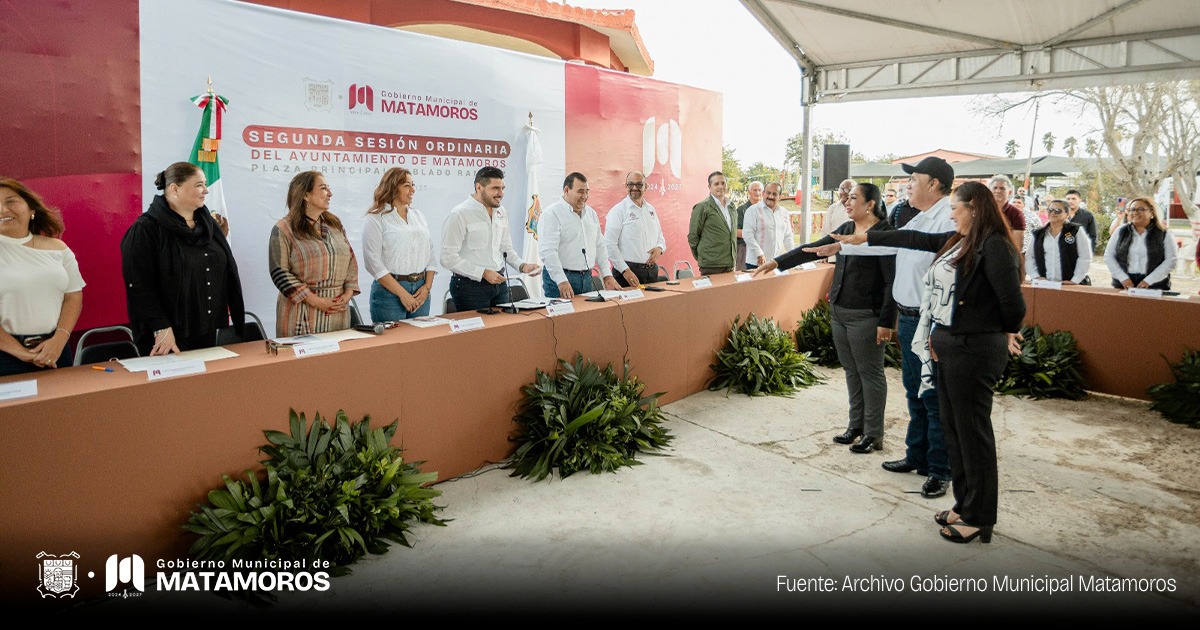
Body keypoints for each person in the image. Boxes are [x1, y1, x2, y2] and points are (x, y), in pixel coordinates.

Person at [832, 181, 1026, 543]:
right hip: (950, 348)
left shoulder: (996, 246)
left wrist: (998, 331)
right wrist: (865, 239)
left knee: (973, 435)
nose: (951, 214)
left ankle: (980, 517)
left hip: (974, 351)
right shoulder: (959, 241)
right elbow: (914, 240)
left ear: (974, 209)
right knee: (954, 430)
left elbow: (1013, 306)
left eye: (956, 208)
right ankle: (964, 504)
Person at [804, 156, 956, 499]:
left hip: (930, 322)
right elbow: (885, 248)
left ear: (933, 185)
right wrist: (841, 246)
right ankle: (916, 456)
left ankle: (940, 470)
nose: (907, 185)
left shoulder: (947, 218)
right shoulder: (916, 216)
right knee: (915, 394)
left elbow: (917, 253)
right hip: (910, 319)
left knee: (933, 399)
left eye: (914, 179)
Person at [753, 183, 895, 454]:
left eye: (853, 198)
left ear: (871, 205)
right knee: (852, 371)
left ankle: (873, 433)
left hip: (867, 315)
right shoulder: (846, 230)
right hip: (840, 310)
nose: (847, 202)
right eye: (847, 198)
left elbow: (891, 281)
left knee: (871, 374)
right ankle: (856, 427)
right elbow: (812, 248)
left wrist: (886, 321)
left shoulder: (884, 235)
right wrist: (777, 263)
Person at [121, 162, 245, 355]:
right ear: (174, 188)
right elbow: (139, 285)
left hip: (210, 328)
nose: (206, 190)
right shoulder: (146, 229)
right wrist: (160, 327)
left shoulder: (209, 225)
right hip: (167, 335)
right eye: (198, 185)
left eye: (205, 184)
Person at [0, 179, 84, 375]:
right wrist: (22, 353)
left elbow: (73, 296)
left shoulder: (58, 248)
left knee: (61, 405)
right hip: (5, 355)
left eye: (11, 201)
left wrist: (59, 340)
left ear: (32, 210)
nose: (3, 210)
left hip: (56, 350)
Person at [269, 171, 359, 337]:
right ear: (306, 195)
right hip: (301, 314)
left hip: (337, 313)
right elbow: (279, 272)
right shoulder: (283, 229)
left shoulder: (335, 225)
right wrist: (316, 301)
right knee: (305, 363)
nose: (330, 194)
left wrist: (347, 294)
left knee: (336, 361)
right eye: (323, 188)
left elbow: (350, 259)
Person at [442, 167, 540, 311]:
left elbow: (506, 249)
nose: (501, 193)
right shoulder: (459, 214)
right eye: (495, 188)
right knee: (477, 333)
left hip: (499, 285)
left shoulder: (501, 211)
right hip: (469, 287)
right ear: (479, 187)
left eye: (503, 188)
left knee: (502, 330)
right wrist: (482, 273)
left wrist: (522, 266)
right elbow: (447, 258)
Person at [362, 167, 436, 321]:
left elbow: (430, 253)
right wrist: (402, 294)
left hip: (421, 291)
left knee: (419, 342)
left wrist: (427, 288)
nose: (413, 189)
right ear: (393, 187)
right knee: (392, 343)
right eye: (407, 185)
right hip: (389, 293)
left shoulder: (418, 216)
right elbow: (372, 262)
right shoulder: (376, 218)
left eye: (413, 184)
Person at [538, 172, 618, 299]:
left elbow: (599, 246)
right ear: (566, 190)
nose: (585, 196)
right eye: (580, 191)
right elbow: (548, 252)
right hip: (560, 279)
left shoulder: (591, 213)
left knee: (585, 318)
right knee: (562, 319)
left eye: (587, 191)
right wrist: (561, 280)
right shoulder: (551, 214)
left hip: (586, 277)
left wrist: (607, 274)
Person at [605, 171, 665, 288]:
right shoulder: (618, 210)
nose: (634, 188)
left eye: (639, 184)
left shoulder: (650, 209)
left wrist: (660, 248)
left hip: (651, 271)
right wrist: (625, 270)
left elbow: (660, 236)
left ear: (646, 186)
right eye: (630, 184)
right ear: (625, 186)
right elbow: (609, 245)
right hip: (627, 273)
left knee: (652, 306)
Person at [1103, 196, 1177, 290]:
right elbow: (1108, 256)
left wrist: (1148, 280)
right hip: (1124, 284)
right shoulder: (1120, 231)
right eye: (1132, 209)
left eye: (1140, 209)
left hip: (1155, 284)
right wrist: (1123, 278)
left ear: (1152, 212)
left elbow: (1171, 260)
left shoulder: (1164, 233)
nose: (1135, 212)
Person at [1027, 199, 1091, 285]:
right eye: (1050, 210)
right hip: (1045, 284)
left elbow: (1085, 256)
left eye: (1058, 211)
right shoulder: (1038, 233)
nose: (1053, 213)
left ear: (1067, 214)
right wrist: (1035, 276)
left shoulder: (1075, 231)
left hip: (1069, 284)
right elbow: (1030, 257)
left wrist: (1075, 280)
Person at [687, 171, 737, 275]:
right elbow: (693, 235)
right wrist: (703, 256)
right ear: (709, 187)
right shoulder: (702, 207)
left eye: (723, 183)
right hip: (711, 265)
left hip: (729, 263)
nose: (720, 186)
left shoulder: (731, 207)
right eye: (716, 184)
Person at [742, 183, 794, 269]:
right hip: (756, 263)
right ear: (763, 194)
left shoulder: (784, 213)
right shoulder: (753, 210)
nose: (771, 196)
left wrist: (793, 255)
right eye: (768, 193)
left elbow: (788, 236)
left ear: (780, 196)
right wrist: (759, 253)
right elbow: (747, 235)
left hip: (775, 262)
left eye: (775, 194)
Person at [735, 181, 764, 271]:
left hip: (762, 249)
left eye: (759, 190)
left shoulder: (766, 209)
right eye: (754, 190)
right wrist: (751, 235)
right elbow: (735, 231)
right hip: (744, 248)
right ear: (749, 192)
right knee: (744, 277)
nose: (757, 193)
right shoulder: (741, 210)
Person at [1011, 195, 1042, 259]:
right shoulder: (1004, 214)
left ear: (1024, 205)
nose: (1016, 204)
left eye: (1019, 202)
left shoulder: (1032, 216)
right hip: (1009, 249)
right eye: (1014, 202)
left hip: (1026, 251)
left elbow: (1040, 231)